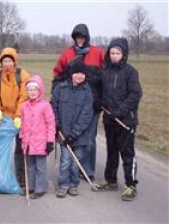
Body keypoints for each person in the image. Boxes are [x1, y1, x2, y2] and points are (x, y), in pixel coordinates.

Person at [52, 23, 104, 181]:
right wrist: (55, 95)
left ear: (87, 37)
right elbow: (58, 74)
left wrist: (101, 99)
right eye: (77, 37)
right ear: (74, 38)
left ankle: (87, 170)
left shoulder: (97, 53)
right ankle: (72, 169)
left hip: (92, 103)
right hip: (70, 103)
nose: (79, 40)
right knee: (71, 135)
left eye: (82, 37)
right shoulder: (67, 53)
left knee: (89, 138)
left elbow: (105, 78)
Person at [97, 38, 142, 201]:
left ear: (124, 54)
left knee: (127, 153)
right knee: (111, 152)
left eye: (118, 53)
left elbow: (135, 94)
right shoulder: (104, 71)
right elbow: (100, 91)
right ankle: (110, 180)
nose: (114, 56)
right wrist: (99, 103)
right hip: (109, 120)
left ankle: (131, 185)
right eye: (112, 53)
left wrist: (120, 111)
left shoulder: (130, 72)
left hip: (126, 121)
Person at [0, 47, 31, 188]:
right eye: (4, 61)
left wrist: (18, 116)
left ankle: (22, 177)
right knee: (0, 147)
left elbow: (24, 97)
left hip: (20, 117)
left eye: (9, 61)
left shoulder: (23, 75)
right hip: (4, 118)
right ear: (1, 62)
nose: (7, 64)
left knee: (20, 148)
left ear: (14, 62)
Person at [50, 62, 93, 198]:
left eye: (82, 73)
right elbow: (53, 106)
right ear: (71, 74)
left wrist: (74, 135)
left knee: (76, 162)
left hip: (79, 136)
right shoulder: (60, 88)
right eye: (76, 73)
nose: (79, 76)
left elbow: (86, 116)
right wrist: (56, 123)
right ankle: (63, 184)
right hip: (64, 133)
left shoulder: (87, 92)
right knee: (66, 161)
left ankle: (74, 184)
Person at [19, 75, 55, 199]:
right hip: (28, 142)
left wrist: (50, 141)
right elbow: (23, 123)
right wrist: (21, 137)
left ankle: (41, 188)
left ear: (40, 90)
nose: (32, 92)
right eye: (29, 90)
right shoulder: (24, 106)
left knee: (40, 167)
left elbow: (51, 124)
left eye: (34, 90)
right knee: (30, 166)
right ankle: (31, 186)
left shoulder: (45, 106)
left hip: (41, 142)